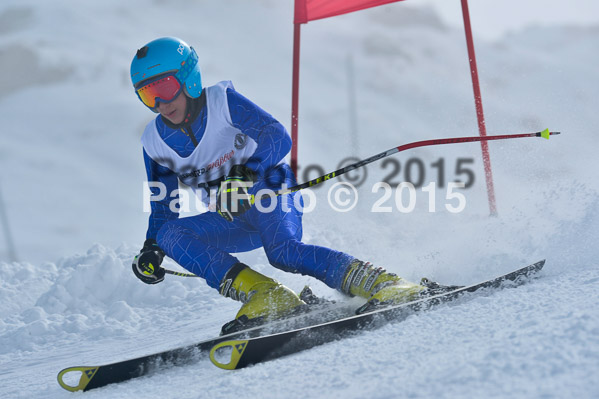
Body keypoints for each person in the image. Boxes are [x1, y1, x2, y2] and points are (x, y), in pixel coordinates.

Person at [129, 37, 444, 325]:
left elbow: (276, 137)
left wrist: (244, 174)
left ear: (188, 78)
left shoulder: (222, 102)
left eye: (165, 88)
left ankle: (385, 284)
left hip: (270, 190)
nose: (161, 104)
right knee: (169, 233)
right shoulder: (155, 142)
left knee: (284, 252)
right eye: (148, 94)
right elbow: (163, 205)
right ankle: (266, 296)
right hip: (231, 219)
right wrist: (151, 249)